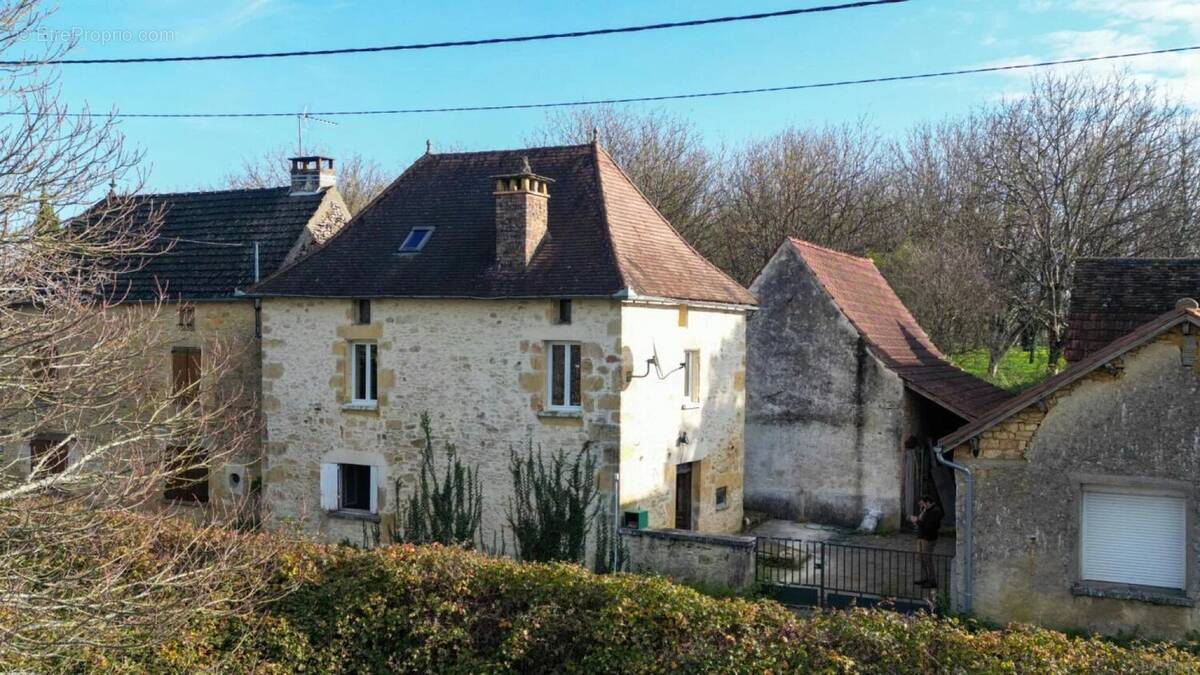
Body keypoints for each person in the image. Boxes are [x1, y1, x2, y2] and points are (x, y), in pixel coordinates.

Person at [909, 495, 944, 588]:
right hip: (921, 537)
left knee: (927, 559)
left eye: (923, 503)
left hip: (928, 539)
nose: (922, 505)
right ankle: (925, 578)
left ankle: (932, 580)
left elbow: (929, 526)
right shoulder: (926, 510)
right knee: (921, 558)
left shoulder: (935, 511)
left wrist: (916, 521)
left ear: (928, 502)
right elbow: (923, 523)